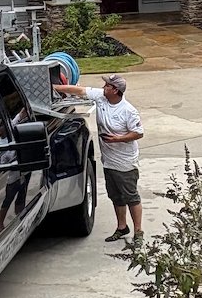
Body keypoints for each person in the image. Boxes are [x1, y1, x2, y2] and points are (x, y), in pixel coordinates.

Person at [55, 73, 144, 243]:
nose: (103, 88)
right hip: (108, 160)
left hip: (125, 162)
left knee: (131, 197)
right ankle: (121, 227)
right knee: (116, 196)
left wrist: (117, 139)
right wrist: (56, 88)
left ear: (115, 90)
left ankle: (138, 232)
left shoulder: (128, 111)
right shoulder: (101, 98)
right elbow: (79, 91)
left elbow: (138, 133)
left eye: (107, 86)